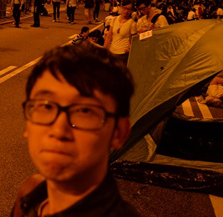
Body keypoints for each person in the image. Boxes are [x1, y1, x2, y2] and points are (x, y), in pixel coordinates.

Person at [11, 42, 140, 217]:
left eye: (84, 111)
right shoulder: (29, 194)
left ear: (119, 133)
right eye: (46, 107)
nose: (58, 131)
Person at [104, 0, 137, 65]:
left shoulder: (132, 23)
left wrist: (129, 48)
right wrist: (103, 50)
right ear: (121, 7)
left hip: (123, 54)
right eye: (125, 8)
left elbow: (134, 40)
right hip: (112, 52)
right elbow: (109, 36)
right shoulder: (114, 19)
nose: (126, 11)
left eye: (129, 9)